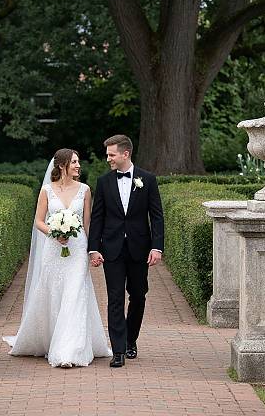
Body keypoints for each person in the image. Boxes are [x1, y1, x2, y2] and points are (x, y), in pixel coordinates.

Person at [3, 148, 111, 367]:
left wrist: (94, 249)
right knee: (53, 294)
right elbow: (39, 221)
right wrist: (54, 232)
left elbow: (88, 223)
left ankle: (69, 351)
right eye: (74, 162)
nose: (78, 166)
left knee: (75, 293)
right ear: (62, 165)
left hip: (77, 248)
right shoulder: (46, 190)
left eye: (78, 162)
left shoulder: (85, 190)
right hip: (53, 249)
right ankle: (50, 339)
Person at [88, 135, 164, 367]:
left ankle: (131, 340)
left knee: (138, 295)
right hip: (112, 249)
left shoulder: (147, 180)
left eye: (111, 154)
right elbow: (97, 217)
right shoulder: (104, 182)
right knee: (114, 298)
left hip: (139, 248)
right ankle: (118, 350)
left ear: (125, 154)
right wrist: (93, 248)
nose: (108, 158)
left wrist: (157, 247)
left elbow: (157, 216)